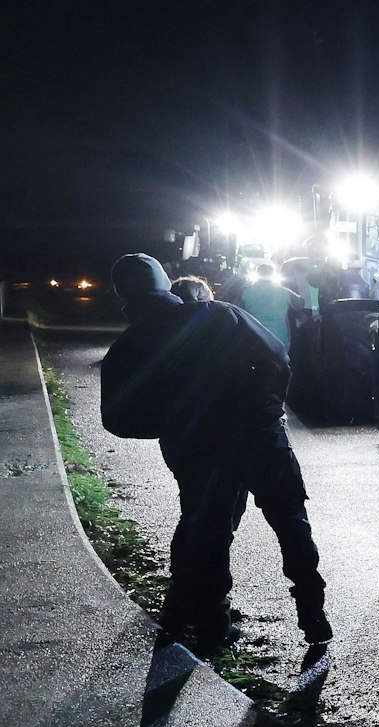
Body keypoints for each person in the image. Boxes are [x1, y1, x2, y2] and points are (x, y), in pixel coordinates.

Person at [100, 254, 332, 679]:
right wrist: (265, 410)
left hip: (199, 453)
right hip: (262, 439)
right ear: (166, 283)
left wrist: (174, 423)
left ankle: (213, 625)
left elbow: (118, 419)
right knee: (291, 524)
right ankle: (313, 616)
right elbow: (278, 358)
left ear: (123, 297)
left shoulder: (129, 347)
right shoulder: (222, 315)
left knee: (208, 534)